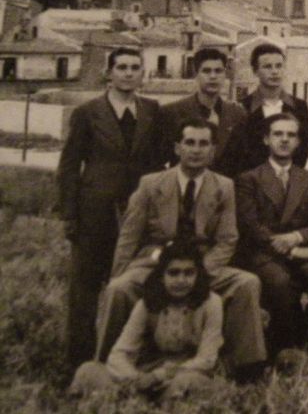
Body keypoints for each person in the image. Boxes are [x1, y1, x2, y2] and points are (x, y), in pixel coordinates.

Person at [94, 118, 267, 379]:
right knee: (119, 289)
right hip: (155, 264)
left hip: (202, 264)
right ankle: (107, 365)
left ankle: (245, 369)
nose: (196, 150)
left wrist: (201, 270)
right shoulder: (151, 184)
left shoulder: (223, 186)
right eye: (189, 143)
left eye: (203, 144)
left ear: (212, 150)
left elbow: (227, 238)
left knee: (247, 283)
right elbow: (129, 237)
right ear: (177, 148)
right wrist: (118, 274)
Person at [57, 46, 163, 369]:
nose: (129, 73)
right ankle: (79, 363)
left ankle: (122, 358)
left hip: (137, 215)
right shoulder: (88, 112)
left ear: (142, 73)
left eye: (135, 67)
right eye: (122, 67)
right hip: (95, 213)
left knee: (132, 284)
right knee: (86, 289)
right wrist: (70, 214)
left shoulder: (152, 110)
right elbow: (69, 167)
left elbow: (157, 164)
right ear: (109, 73)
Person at [235, 113, 308, 354]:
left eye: (291, 135)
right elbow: (251, 226)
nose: (284, 140)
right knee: (279, 281)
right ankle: (285, 344)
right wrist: (292, 251)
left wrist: (296, 238)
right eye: (278, 134)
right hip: (264, 255)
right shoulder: (249, 179)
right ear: (266, 140)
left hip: (301, 250)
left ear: (299, 142)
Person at [70, 241, 223, 400]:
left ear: (198, 275)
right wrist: (136, 379)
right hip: (144, 376)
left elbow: (207, 360)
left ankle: (145, 404)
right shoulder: (147, 303)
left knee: (187, 384)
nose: (181, 280)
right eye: (173, 273)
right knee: (88, 370)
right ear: (161, 276)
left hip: (184, 374)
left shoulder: (211, 304)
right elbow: (119, 354)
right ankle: (135, 401)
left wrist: (161, 376)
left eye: (189, 273)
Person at [160, 47, 247, 177]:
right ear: (196, 74)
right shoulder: (172, 112)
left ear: (225, 75)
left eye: (218, 71)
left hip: (226, 192)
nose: (213, 76)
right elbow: (159, 160)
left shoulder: (238, 114)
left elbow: (242, 162)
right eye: (206, 71)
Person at [239, 44, 308, 173]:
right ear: (255, 71)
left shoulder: (299, 107)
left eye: (279, 66)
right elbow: (241, 152)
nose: (274, 71)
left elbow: (303, 147)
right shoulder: (243, 107)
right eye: (267, 67)